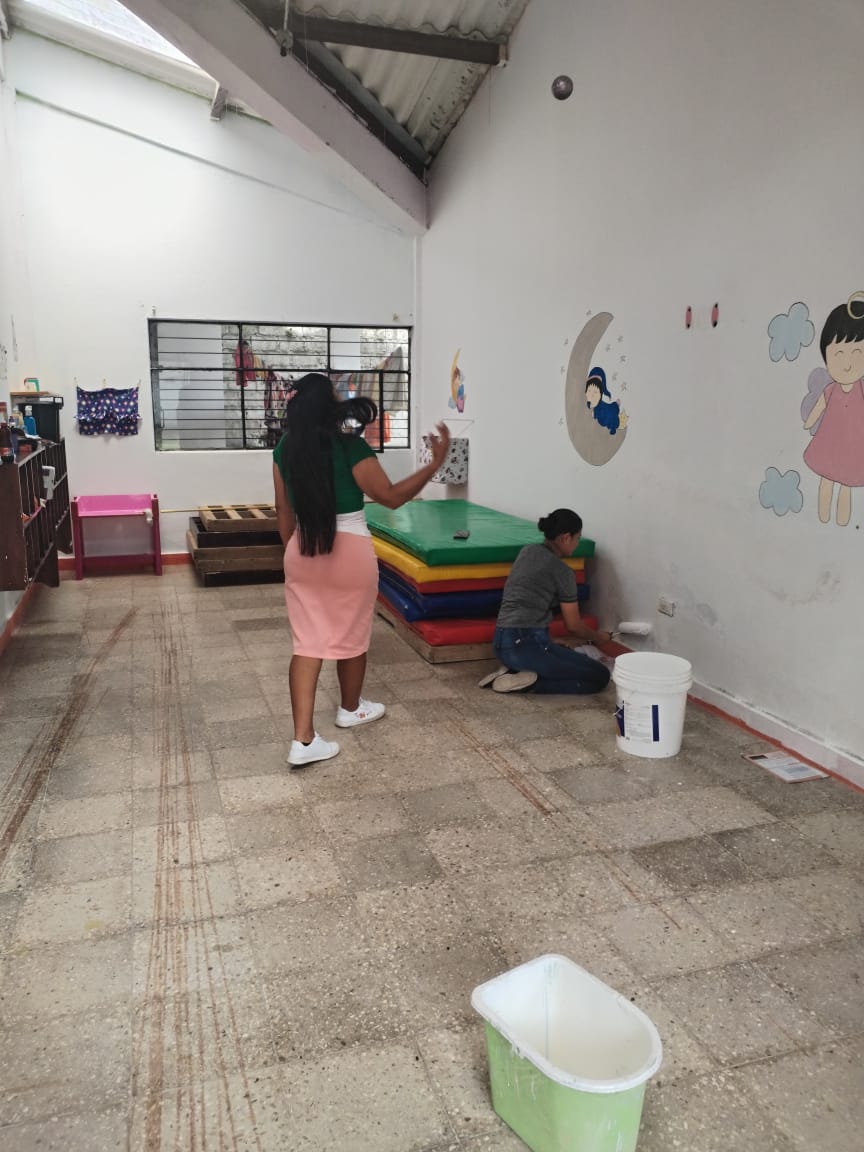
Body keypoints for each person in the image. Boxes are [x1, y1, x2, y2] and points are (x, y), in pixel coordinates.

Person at [273, 372, 450, 766]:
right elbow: (390, 497)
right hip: (350, 550)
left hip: (302, 549)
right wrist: (434, 464)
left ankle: (303, 741)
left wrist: (293, 555)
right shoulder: (348, 445)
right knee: (353, 632)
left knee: (307, 643)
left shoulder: (285, 448)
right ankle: (350, 709)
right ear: (327, 404)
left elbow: (283, 511)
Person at [479, 508, 614, 694]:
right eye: (577, 538)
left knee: (563, 654)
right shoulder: (563, 572)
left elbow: (526, 605)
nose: (577, 543)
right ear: (566, 538)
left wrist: (545, 640)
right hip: (526, 647)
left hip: (502, 644)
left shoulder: (527, 551)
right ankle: (531, 683)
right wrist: (600, 638)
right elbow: (573, 626)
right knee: (599, 676)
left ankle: (513, 671)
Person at [802, 293, 864, 527]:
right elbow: (820, 405)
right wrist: (809, 422)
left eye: (857, 353)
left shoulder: (861, 389)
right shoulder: (831, 389)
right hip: (830, 442)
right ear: (827, 357)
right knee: (826, 479)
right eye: (839, 354)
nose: (847, 363)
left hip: (853, 446)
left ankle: (841, 522)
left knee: (846, 483)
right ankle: (823, 516)